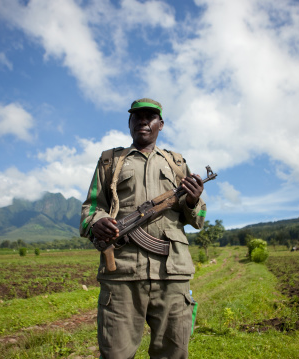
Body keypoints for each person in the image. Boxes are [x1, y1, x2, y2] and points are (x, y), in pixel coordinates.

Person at [80, 98, 207, 359]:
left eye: (150, 117)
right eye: (136, 116)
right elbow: (90, 210)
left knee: (172, 353)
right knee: (116, 354)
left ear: (160, 124)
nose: (142, 121)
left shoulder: (177, 163)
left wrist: (193, 200)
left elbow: (199, 218)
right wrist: (97, 223)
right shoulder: (110, 162)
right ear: (129, 123)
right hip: (122, 274)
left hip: (172, 273)